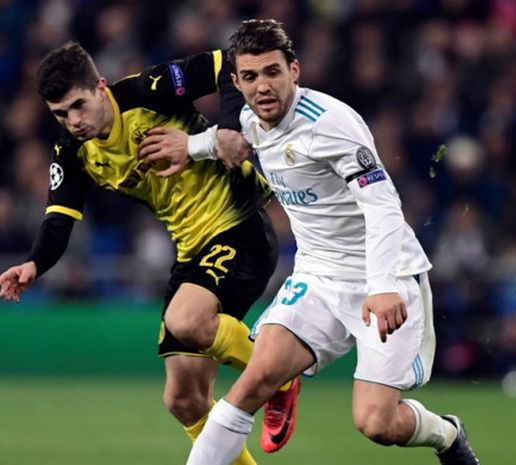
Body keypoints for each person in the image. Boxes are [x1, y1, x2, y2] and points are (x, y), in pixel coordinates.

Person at [176, 19, 481, 465]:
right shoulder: (248, 118)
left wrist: (381, 284)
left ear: (294, 71)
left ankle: (447, 435)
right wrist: (188, 147)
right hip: (318, 276)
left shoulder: (331, 125)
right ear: (237, 83)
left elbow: (382, 206)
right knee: (252, 382)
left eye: (273, 72)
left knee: (376, 423)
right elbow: (233, 143)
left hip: (385, 276)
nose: (264, 86)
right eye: (252, 76)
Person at [0, 41, 300, 464]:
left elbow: (227, 64)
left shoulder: (148, 91)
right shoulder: (73, 153)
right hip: (192, 250)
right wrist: (35, 263)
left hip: (240, 226)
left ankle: (280, 374)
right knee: (183, 398)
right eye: (61, 114)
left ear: (101, 87)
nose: (74, 121)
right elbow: (58, 219)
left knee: (187, 319)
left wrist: (229, 128)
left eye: (79, 105)